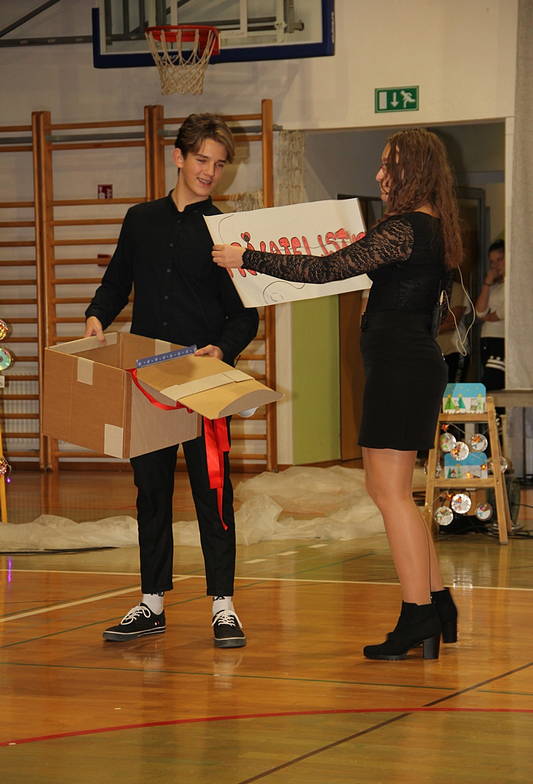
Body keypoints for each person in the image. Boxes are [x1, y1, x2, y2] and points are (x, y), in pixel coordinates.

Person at [212, 128, 463, 661]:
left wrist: (246, 256)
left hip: (401, 370)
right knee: (392, 491)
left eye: (388, 165)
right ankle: (437, 603)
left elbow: (325, 269)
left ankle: (418, 614)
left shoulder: (406, 228)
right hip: (408, 367)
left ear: (413, 170)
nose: (379, 174)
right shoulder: (430, 228)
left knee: (390, 494)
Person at [85, 114, 259, 647]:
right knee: (151, 493)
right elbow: (116, 282)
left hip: (202, 381)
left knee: (213, 492)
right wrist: (96, 316)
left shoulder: (225, 233)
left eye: (219, 164)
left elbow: (245, 316)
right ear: (179, 157)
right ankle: (152, 602)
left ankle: (223, 605)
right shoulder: (140, 220)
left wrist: (222, 349)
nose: (210, 172)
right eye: (202, 159)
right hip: (147, 380)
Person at [475, 239, 505, 391]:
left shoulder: (513, 285)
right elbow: (480, 311)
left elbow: (502, 313)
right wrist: (487, 282)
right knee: (493, 384)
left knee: (491, 384)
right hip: (487, 340)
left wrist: (486, 317)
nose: (495, 265)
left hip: (501, 340)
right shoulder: (494, 286)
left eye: (500, 260)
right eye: (492, 262)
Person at [437, 271, 470, 382]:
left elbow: (451, 323)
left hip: (454, 350)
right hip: (433, 351)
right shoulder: (424, 290)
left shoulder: (457, 288)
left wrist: (423, 330)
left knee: (453, 390)